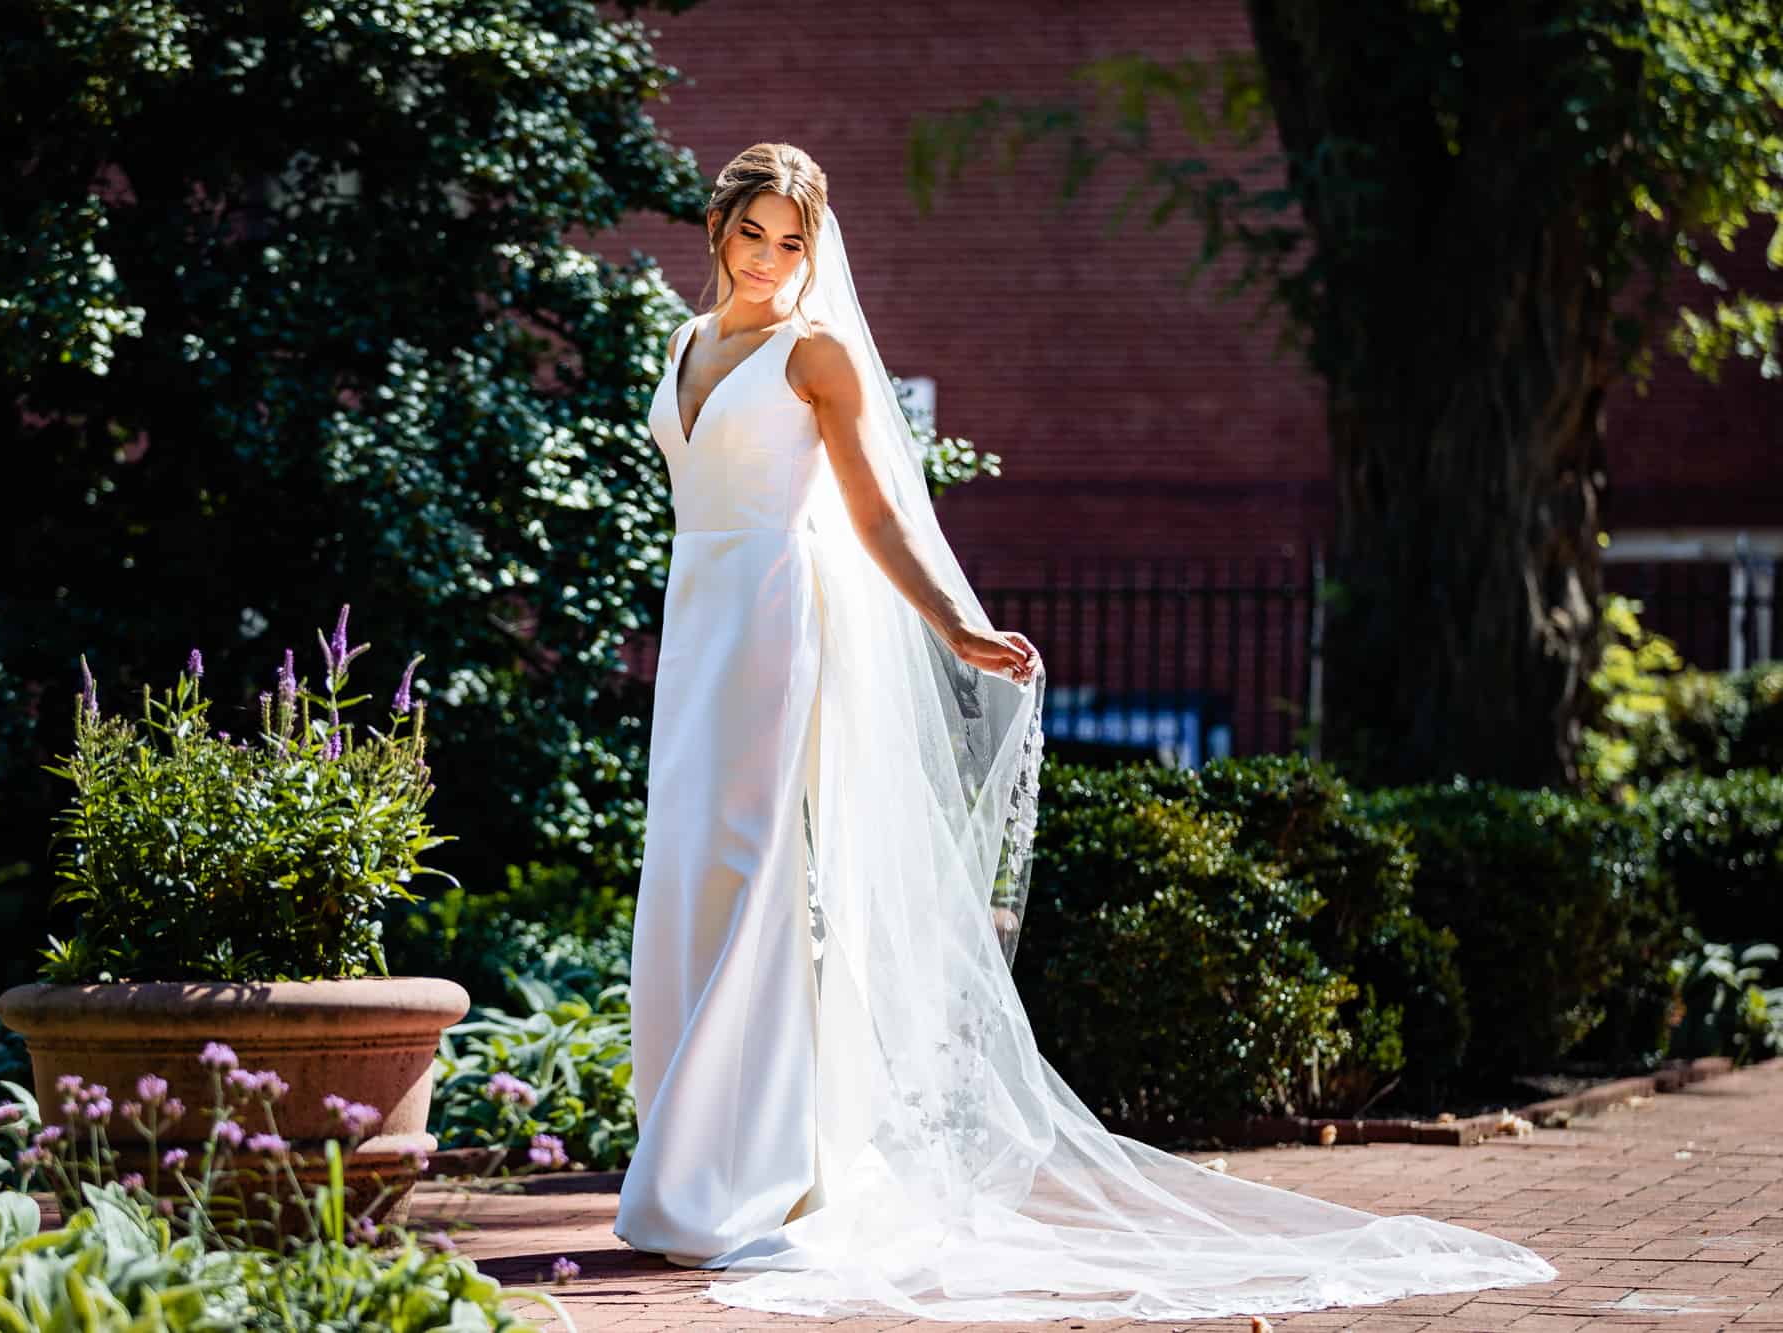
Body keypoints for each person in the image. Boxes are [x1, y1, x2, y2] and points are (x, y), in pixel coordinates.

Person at [611, 141, 1557, 1323]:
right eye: (753, 234)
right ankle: (683, 1155)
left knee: (750, 876)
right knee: (680, 875)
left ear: (814, 246)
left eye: (792, 240)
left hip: (766, 623)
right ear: (717, 231)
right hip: (693, 624)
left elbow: (868, 509)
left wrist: (957, 625)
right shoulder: (685, 344)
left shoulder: (818, 352)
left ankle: (732, 1179)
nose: (770, 258)